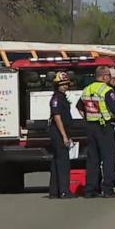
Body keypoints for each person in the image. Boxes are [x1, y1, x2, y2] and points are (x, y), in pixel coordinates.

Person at [77, 66, 115, 198]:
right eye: (108, 75)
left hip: (91, 126)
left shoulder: (87, 89)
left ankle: (90, 189)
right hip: (105, 126)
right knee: (108, 158)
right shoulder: (107, 90)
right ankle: (108, 189)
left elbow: (79, 107)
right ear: (103, 77)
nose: (110, 78)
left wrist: (88, 117)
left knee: (93, 159)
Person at [48, 71, 76, 199]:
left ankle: (54, 191)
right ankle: (64, 191)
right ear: (56, 85)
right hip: (58, 133)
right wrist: (64, 136)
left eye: (66, 84)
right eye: (62, 84)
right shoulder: (57, 98)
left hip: (61, 132)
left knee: (56, 162)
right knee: (63, 162)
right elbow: (57, 117)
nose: (65, 86)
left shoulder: (62, 97)